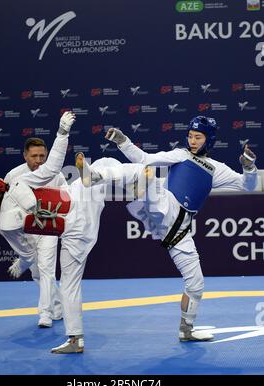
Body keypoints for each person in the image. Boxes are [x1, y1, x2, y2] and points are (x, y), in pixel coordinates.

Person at [77, 115, 258, 342]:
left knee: (196, 283)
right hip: (165, 207)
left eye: (198, 137)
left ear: (209, 140)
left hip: (180, 230)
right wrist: (122, 141)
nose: (192, 141)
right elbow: (144, 157)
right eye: (190, 136)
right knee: (145, 172)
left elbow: (247, 185)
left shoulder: (217, 169)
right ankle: (96, 176)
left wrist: (249, 168)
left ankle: (186, 329)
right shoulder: (180, 155)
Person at [0, 112, 122, 354]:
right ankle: (140, 180)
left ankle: (73, 337)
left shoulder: (5, 223)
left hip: (75, 234)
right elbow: (53, 165)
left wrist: (24, 262)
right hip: (82, 202)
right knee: (104, 165)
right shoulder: (20, 181)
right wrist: (62, 133)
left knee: (66, 283)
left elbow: (27, 254)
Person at [4, 137, 66, 328]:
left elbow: (66, 201)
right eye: (34, 156)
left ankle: (44, 314)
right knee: (37, 273)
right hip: (25, 230)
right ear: (25, 156)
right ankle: (57, 308)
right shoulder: (12, 176)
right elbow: (3, 206)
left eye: (42, 156)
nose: (39, 160)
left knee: (47, 269)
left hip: (48, 228)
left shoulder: (56, 175)